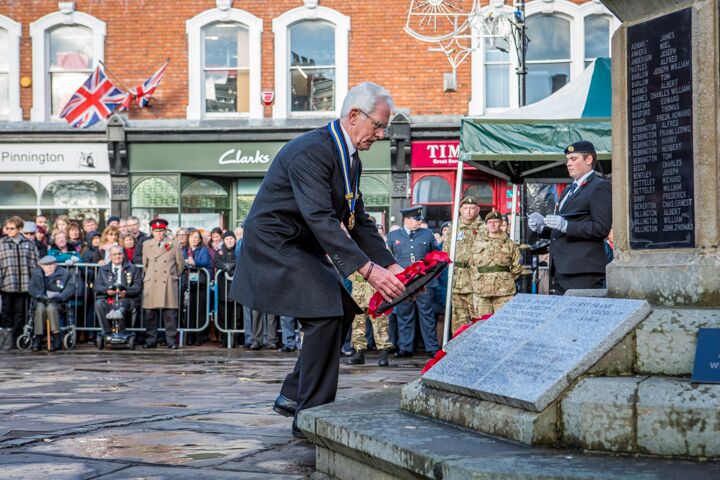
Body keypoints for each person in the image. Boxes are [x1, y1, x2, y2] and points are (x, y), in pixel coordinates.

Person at [230, 82, 404, 438]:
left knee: (342, 307)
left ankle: (294, 395)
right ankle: (311, 415)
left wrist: (391, 265)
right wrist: (369, 271)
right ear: (354, 116)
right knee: (327, 311)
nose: (382, 134)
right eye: (378, 125)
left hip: (297, 246)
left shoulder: (348, 157)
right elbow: (321, 218)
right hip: (274, 245)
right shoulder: (311, 151)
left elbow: (359, 222)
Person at [528, 141, 612, 294]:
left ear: (588, 160)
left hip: (583, 270)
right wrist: (542, 228)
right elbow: (561, 228)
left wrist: (566, 225)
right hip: (561, 268)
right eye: (567, 159)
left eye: (574, 159)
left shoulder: (600, 186)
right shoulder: (568, 189)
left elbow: (601, 228)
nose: (568, 163)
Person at [386, 206, 441, 358]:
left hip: (424, 282)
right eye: (416, 220)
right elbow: (388, 257)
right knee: (405, 314)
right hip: (403, 282)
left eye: (419, 220)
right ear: (407, 220)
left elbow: (436, 255)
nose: (419, 222)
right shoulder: (393, 235)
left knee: (427, 315)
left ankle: (432, 347)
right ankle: (405, 347)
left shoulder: (427, 234)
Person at [443, 196, 487, 333]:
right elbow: (446, 251)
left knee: (478, 319)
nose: (469, 211)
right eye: (465, 208)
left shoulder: (484, 228)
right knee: (458, 321)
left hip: (477, 281)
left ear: (478, 210)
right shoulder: (453, 228)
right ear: (460, 210)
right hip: (458, 280)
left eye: (472, 208)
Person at [142, 218, 184, 349]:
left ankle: (171, 341)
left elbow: (180, 265)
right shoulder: (146, 244)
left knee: (170, 314)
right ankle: (151, 340)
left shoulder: (175, 244)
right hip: (152, 282)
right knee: (150, 315)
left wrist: (172, 276)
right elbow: (145, 264)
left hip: (168, 282)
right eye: (156, 231)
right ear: (152, 232)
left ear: (165, 231)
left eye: (161, 231)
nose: (159, 234)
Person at [473, 211, 523, 315]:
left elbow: (518, 264)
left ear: (501, 223)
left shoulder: (509, 243)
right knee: (482, 322)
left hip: (504, 290)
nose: (492, 224)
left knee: (503, 321)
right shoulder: (478, 242)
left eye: (496, 222)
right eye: (490, 222)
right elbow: (471, 263)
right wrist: (477, 279)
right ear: (486, 224)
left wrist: (506, 277)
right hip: (482, 289)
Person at [0, 216, 39, 348]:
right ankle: (6, 342)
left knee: (20, 313)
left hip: (24, 285)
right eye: (7, 228)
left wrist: (34, 282)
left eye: (12, 228)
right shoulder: (2, 244)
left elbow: (35, 264)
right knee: (6, 313)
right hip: (6, 284)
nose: (9, 231)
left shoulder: (29, 244)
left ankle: (18, 340)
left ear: (20, 229)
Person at [28, 255, 75, 351]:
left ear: (56, 264)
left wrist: (60, 297)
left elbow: (70, 288)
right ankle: (38, 337)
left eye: (51, 264)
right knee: (40, 308)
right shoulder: (36, 273)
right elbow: (31, 288)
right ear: (41, 266)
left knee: (51, 308)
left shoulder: (64, 273)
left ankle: (57, 337)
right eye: (46, 265)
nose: (49, 267)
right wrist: (40, 296)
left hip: (57, 302)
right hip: (42, 300)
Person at [345, 272, 393, 366]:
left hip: (375, 287)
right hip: (358, 287)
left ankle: (383, 354)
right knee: (357, 322)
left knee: (380, 322)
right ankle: (358, 353)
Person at [94, 245, 142, 335]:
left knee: (121, 304)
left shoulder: (133, 269)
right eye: (114, 254)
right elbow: (97, 286)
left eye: (119, 254)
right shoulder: (103, 270)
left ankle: (121, 333)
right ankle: (106, 332)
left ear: (123, 255)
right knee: (99, 304)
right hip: (108, 297)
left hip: (126, 298)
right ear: (110, 256)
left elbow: (138, 286)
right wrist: (106, 290)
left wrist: (126, 292)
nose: (117, 256)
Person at [182, 230, 213, 346]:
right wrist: (185, 262)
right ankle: (189, 337)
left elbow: (205, 262)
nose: (194, 239)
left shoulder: (203, 250)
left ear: (200, 240)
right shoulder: (184, 250)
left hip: (200, 285)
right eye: (192, 237)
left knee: (200, 310)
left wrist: (195, 263)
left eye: (196, 238)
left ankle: (199, 337)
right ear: (188, 238)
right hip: (187, 284)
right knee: (188, 311)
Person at [213, 231, 241, 347]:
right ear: (223, 241)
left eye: (231, 239)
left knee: (236, 317)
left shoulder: (239, 250)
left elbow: (240, 260)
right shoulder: (219, 251)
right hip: (223, 289)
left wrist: (232, 265)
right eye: (227, 239)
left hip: (237, 289)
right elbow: (216, 262)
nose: (229, 241)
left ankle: (235, 340)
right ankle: (224, 340)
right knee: (223, 316)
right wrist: (225, 266)